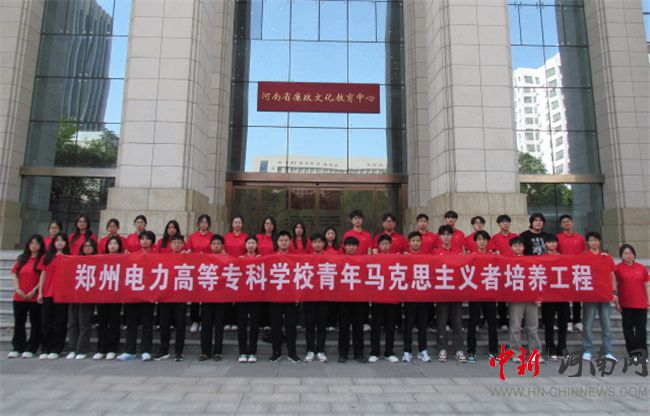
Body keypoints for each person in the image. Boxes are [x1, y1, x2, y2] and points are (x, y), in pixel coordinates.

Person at [117, 230, 156, 361]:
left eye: (147, 239)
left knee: (147, 323)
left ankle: (146, 350)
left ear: (152, 241)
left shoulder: (157, 256)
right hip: (133, 294)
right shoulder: (133, 256)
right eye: (142, 239)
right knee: (131, 323)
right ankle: (130, 350)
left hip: (148, 294)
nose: (144, 241)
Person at [581, 232, 617, 362]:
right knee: (588, 324)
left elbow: (612, 275)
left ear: (600, 242)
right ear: (587, 243)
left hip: (605, 294)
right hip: (590, 295)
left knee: (606, 325)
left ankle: (607, 351)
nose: (594, 243)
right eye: (591, 240)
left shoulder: (606, 257)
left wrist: (613, 291)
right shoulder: (583, 256)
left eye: (596, 240)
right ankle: (587, 349)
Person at [7, 235, 45, 359]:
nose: (34, 246)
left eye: (37, 243)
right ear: (28, 245)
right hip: (19, 296)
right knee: (19, 322)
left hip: (34, 296)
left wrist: (34, 290)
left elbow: (43, 277)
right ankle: (18, 347)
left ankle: (31, 348)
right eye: (31, 243)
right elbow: (15, 274)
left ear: (41, 245)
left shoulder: (42, 259)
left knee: (35, 323)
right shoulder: (22, 258)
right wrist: (17, 289)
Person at [433, 225, 466, 363]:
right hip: (441, 292)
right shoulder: (435, 252)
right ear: (440, 237)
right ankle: (442, 348)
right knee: (441, 321)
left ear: (452, 236)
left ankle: (459, 349)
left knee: (457, 321)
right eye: (443, 234)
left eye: (448, 234)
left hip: (456, 292)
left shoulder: (458, 251)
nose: (446, 237)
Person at [507, 237, 543, 363]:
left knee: (532, 327)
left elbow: (537, 278)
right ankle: (516, 352)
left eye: (520, 245)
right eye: (515, 245)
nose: (517, 248)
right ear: (511, 247)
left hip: (531, 298)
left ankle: (535, 353)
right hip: (515, 298)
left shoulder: (531, 261)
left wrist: (538, 296)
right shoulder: (507, 261)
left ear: (524, 247)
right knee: (515, 327)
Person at [466, 230, 498, 363]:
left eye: (484, 239)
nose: (482, 242)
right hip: (475, 294)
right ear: (475, 242)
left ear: (488, 241)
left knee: (492, 323)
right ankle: (471, 351)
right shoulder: (470, 256)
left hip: (490, 294)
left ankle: (493, 351)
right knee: (473, 323)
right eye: (479, 239)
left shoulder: (493, 256)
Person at [37, 232, 70, 360]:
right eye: (57, 240)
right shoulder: (47, 257)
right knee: (46, 322)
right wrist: (40, 292)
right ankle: (45, 348)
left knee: (60, 322)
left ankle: (57, 349)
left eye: (62, 240)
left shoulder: (69, 257)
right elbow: (43, 275)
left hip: (62, 295)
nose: (60, 243)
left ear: (66, 243)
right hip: (47, 293)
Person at [615, 244, 649, 363]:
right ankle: (633, 353)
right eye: (625, 253)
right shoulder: (618, 268)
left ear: (634, 254)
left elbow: (646, 284)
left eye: (630, 253)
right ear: (621, 255)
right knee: (628, 329)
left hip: (641, 303)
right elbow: (615, 285)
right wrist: (617, 301)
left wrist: (648, 300)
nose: (628, 255)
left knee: (641, 330)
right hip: (625, 303)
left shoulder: (641, 268)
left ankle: (642, 354)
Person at [156, 234, 188, 362]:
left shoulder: (188, 258)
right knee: (164, 325)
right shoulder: (164, 258)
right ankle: (164, 350)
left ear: (183, 245)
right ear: (170, 245)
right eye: (174, 242)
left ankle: (179, 352)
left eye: (179, 242)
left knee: (180, 325)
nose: (177, 245)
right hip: (166, 296)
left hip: (180, 297)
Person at [368, 234, 399, 363]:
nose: (385, 246)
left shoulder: (396, 259)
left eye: (387, 243)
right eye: (382, 244)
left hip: (392, 297)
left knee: (390, 326)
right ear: (379, 246)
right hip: (377, 297)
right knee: (376, 326)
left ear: (390, 245)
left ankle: (389, 352)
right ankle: (374, 352)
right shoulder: (373, 258)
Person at [270, 231, 300, 362]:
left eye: (286, 240)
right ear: (277, 242)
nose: (283, 243)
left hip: (291, 297)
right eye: (281, 240)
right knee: (276, 325)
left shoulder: (295, 258)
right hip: (275, 297)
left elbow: (299, 278)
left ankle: (292, 352)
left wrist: (298, 295)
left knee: (291, 326)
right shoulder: (271, 258)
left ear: (290, 242)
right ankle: (276, 352)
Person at [66, 239, 98, 360]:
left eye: (90, 246)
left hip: (88, 296)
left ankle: (82, 349)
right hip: (74, 295)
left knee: (84, 323)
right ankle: (72, 348)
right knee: (73, 323)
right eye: (85, 246)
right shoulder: (75, 260)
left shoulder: (98, 260)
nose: (87, 248)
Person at [402, 232, 432, 363]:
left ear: (421, 242)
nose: (415, 243)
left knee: (422, 325)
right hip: (409, 297)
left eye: (418, 241)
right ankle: (407, 351)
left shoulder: (427, 257)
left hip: (423, 297)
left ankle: (422, 350)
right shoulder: (404, 257)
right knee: (408, 325)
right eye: (413, 241)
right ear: (409, 243)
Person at [94, 235, 123, 360]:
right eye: (110, 243)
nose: (112, 246)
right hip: (102, 294)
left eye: (115, 243)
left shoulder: (123, 259)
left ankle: (112, 349)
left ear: (119, 246)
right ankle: (101, 349)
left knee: (114, 322)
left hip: (116, 295)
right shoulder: (101, 258)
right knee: (102, 322)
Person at [540, 234, 569, 361]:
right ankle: (550, 347)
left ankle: (562, 347)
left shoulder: (563, 258)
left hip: (562, 295)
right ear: (545, 244)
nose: (552, 244)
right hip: (548, 296)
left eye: (554, 242)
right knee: (549, 323)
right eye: (549, 242)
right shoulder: (541, 258)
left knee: (563, 323)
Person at [337, 236, 366, 363]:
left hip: (359, 298)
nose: (351, 248)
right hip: (344, 299)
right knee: (344, 327)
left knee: (358, 327)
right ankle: (343, 353)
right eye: (349, 245)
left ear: (357, 247)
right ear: (344, 247)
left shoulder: (363, 260)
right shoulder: (339, 260)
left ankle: (359, 353)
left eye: (354, 245)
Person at [199, 234, 227, 361]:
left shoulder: (227, 259)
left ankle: (217, 351)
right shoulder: (205, 258)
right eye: (214, 244)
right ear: (210, 246)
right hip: (207, 296)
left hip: (221, 297)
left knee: (219, 325)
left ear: (222, 246)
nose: (216, 246)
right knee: (206, 325)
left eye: (218, 244)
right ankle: (205, 351)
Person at [557, 214, 587, 332]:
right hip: (564, 271)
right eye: (564, 222)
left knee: (577, 297)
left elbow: (584, 253)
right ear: (561, 225)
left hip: (577, 270)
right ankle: (568, 320)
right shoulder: (558, 238)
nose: (566, 223)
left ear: (572, 222)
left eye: (568, 221)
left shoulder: (579, 238)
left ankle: (577, 320)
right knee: (565, 297)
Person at [488, 214, 518, 330]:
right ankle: (503, 322)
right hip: (501, 270)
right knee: (502, 298)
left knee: (515, 298)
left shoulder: (515, 236)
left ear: (510, 223)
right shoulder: (495, 238)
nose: (505, 224)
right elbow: (492, 252)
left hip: (515, 270)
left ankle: (516, 322)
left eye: (507, 222)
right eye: (502, 222)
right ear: (499, 224)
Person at [303, 233, 330, 363]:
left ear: (324, 243)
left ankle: (320, 350)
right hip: (309, 297)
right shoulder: (307, 258)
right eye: (315, 242)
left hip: (324, 297)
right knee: (309, 325)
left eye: (320, 242)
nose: (317, 244)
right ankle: (310, 350)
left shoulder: (330, 258)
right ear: (311, 244)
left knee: (322, 325)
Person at [236, 235, 262, 363]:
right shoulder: (240, 259)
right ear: (245, 245)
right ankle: (242, 352)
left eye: (253, 243)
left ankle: (252, 352)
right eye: (249, 243)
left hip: (256, 296)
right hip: (242, 296)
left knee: (254, 325)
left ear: (257, 245)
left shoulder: (262, 259)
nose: (251, 245)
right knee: (241, 324)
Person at [186, 214, 214, 334]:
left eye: (206, 222)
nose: (203, 224)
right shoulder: (193, 236)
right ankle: (195, 321)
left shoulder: (212, 236)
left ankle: (205, 320)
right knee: (195, 296)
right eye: (202, 222)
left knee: (207, 296)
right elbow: (189, 250)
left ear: (209, 224)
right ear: (198, 224)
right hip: (196, 269)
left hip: (208, 269)